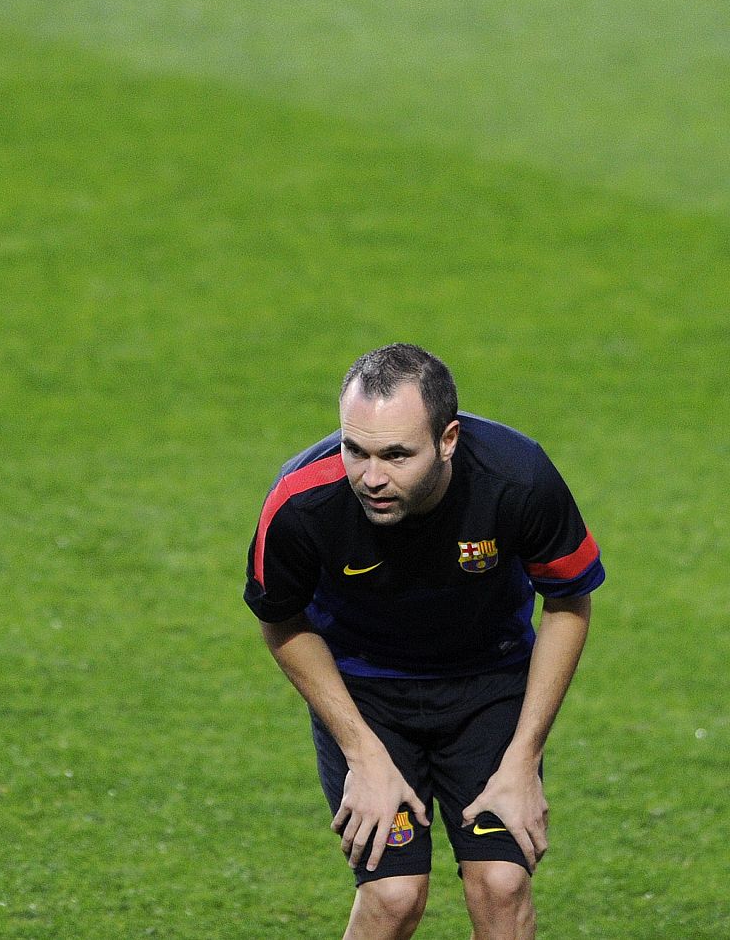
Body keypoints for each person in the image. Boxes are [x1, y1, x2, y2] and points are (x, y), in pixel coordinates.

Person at [244, 343, 603, 940]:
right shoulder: (301, 501)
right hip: (367, 697)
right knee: (393, 896)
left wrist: (523, 759)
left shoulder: (519, 479)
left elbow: (568, 600)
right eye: (353, 449)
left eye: (396, 455)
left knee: (502, 884)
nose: (371, 477)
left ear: (448, 439)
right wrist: (362, 753)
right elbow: (280, 619)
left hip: (489, 689)